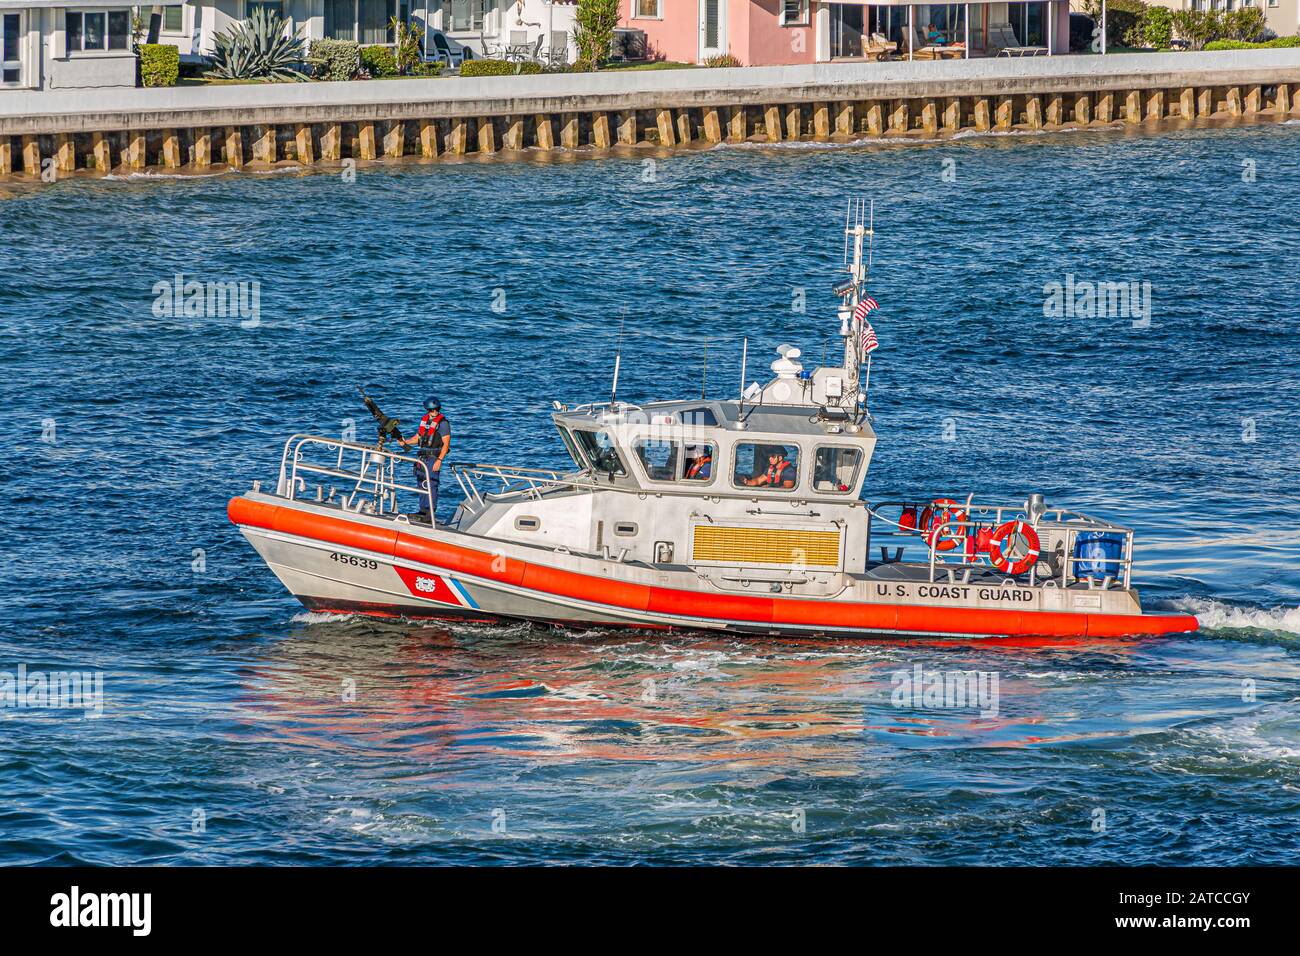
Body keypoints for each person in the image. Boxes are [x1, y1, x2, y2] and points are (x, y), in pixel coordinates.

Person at [400, 397, 450, 522]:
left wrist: (439, 460)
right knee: (421, 482)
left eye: (436, 410)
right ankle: (422, 510)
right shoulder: (425, 421)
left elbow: (446, 444)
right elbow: (417, 438)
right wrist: (405, 441)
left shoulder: (443, 424)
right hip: (422, 457)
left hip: (433, 457)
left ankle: (430, 513)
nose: (434, 412)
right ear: (427, 410)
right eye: (432, 410)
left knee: (431, 483)